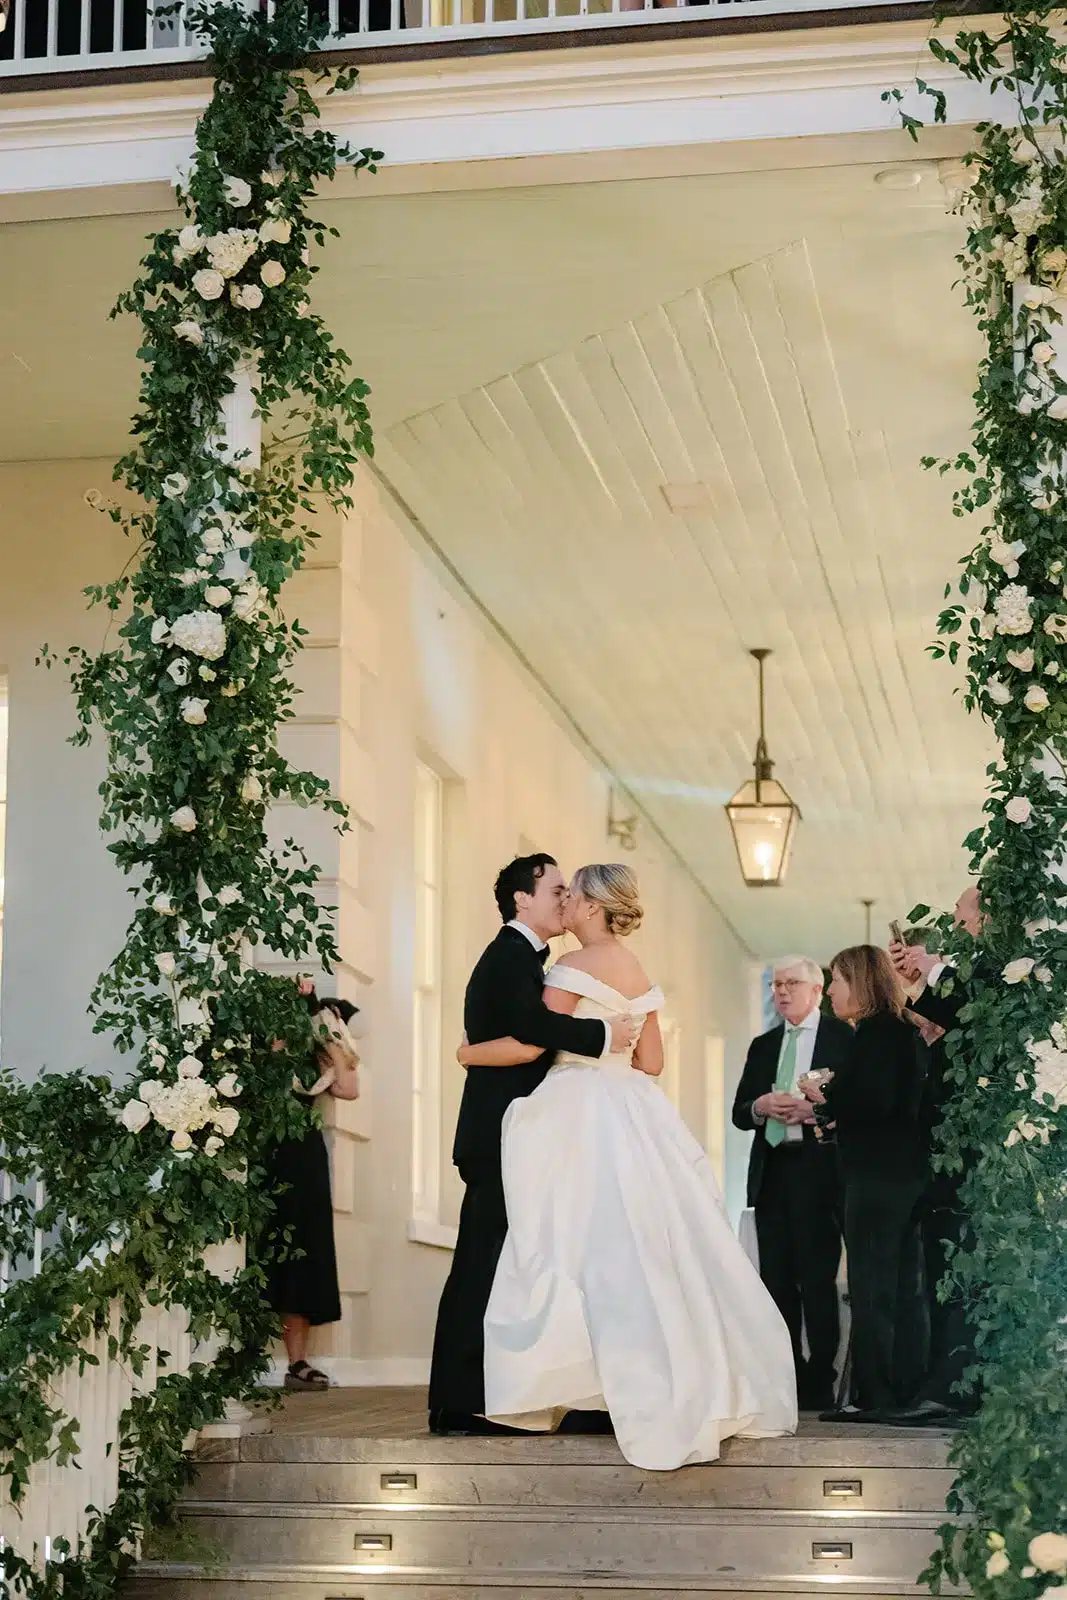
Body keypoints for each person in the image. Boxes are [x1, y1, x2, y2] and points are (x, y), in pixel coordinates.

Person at [460, 864, 797, 1471]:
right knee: (640, 1247)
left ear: (591, 907)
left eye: (572, 895)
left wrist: (466, 1051)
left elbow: (536, 1042)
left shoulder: (570, 968)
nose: (564, 904)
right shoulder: (637, 969)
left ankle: (566, 1380)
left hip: (575, 1106)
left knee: (564, 1243)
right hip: (632, 1107)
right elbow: (653, 1061)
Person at [428, 853, 638, 1437]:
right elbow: (529, 1033)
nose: (564, 897)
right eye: (555, 887)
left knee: (507, 1265)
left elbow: (525, 1034)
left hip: (523, 1133)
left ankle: (490, 1395)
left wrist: (469, 1052)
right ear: (523, 899)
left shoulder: (529, 958)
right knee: (483, 1264)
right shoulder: (508, 955)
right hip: (497, 1135)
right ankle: (460, 1402)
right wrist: (604, 1033)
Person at [812, 945, 929, 1420]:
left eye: (836, 981)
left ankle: (875, 1396)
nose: (830, 992)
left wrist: (828, 1094)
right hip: (901, 1175)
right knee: (901, 1285)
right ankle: (900, 1391)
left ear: (859, 983)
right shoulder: (900, 1031)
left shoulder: (877, 1034)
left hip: (879, 1178)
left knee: (873, 1285)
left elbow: (875, 1104)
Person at [731, 958, 852, 1412]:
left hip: (820, 1169)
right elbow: (739, 1114)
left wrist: (815, 1112)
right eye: (775, 984)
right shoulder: (763, 1045)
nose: (781, 992)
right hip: (774, 1170)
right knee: (776, 1281)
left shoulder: (843, 1039)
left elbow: (854, 1105)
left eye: (791, 983)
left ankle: (822, 1376)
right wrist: (760, 1106)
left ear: (817, 989)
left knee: (816, 1280)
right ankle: (789, 1376)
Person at [886, 888, 985, 1425]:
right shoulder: (970, 975)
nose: (954, 921)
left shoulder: (996, 972)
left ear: (984, 916)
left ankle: (955, 1385)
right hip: (943, 1157)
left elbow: (967, 1008)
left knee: (959, 1267)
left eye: (961, 914)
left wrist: (931, 973)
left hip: (970, 1154)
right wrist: (923, 979)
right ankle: (945, 1381)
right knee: (944, 1268)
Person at [259, 988, 361, 1392]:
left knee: (303, 1248)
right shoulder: (261, 1050)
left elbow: (350, 1088)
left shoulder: (315, 1054)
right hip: (263, 1149)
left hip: (303, 1154)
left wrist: (329, 1032)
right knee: (263, 1246)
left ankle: (297, 1361)